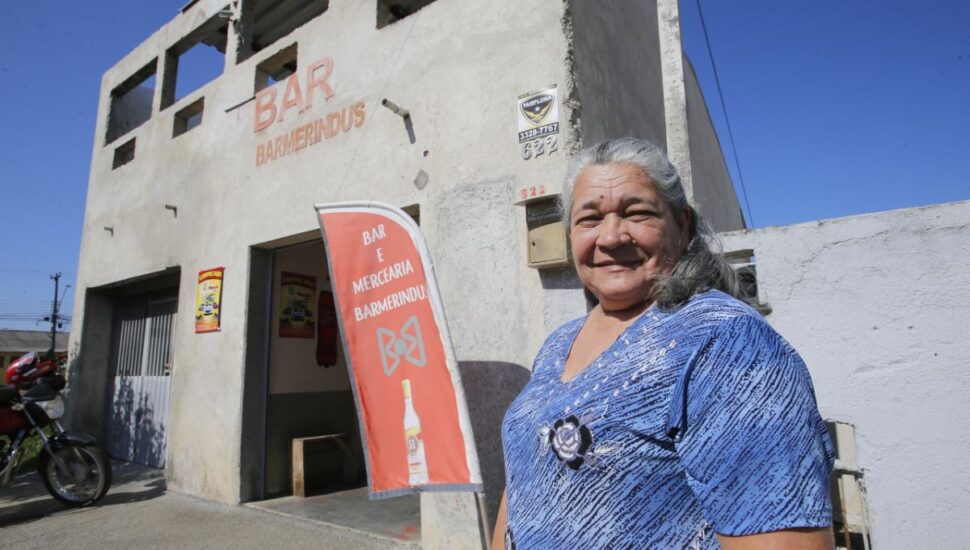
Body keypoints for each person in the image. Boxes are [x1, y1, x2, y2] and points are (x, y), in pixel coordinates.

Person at [492, 138, 834, 549]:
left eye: (637, 213)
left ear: (682, 224)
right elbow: (525, 473)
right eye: (589, 219)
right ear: (570, 235)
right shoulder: (558, 344)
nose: (611, 236)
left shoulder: (724, 341)